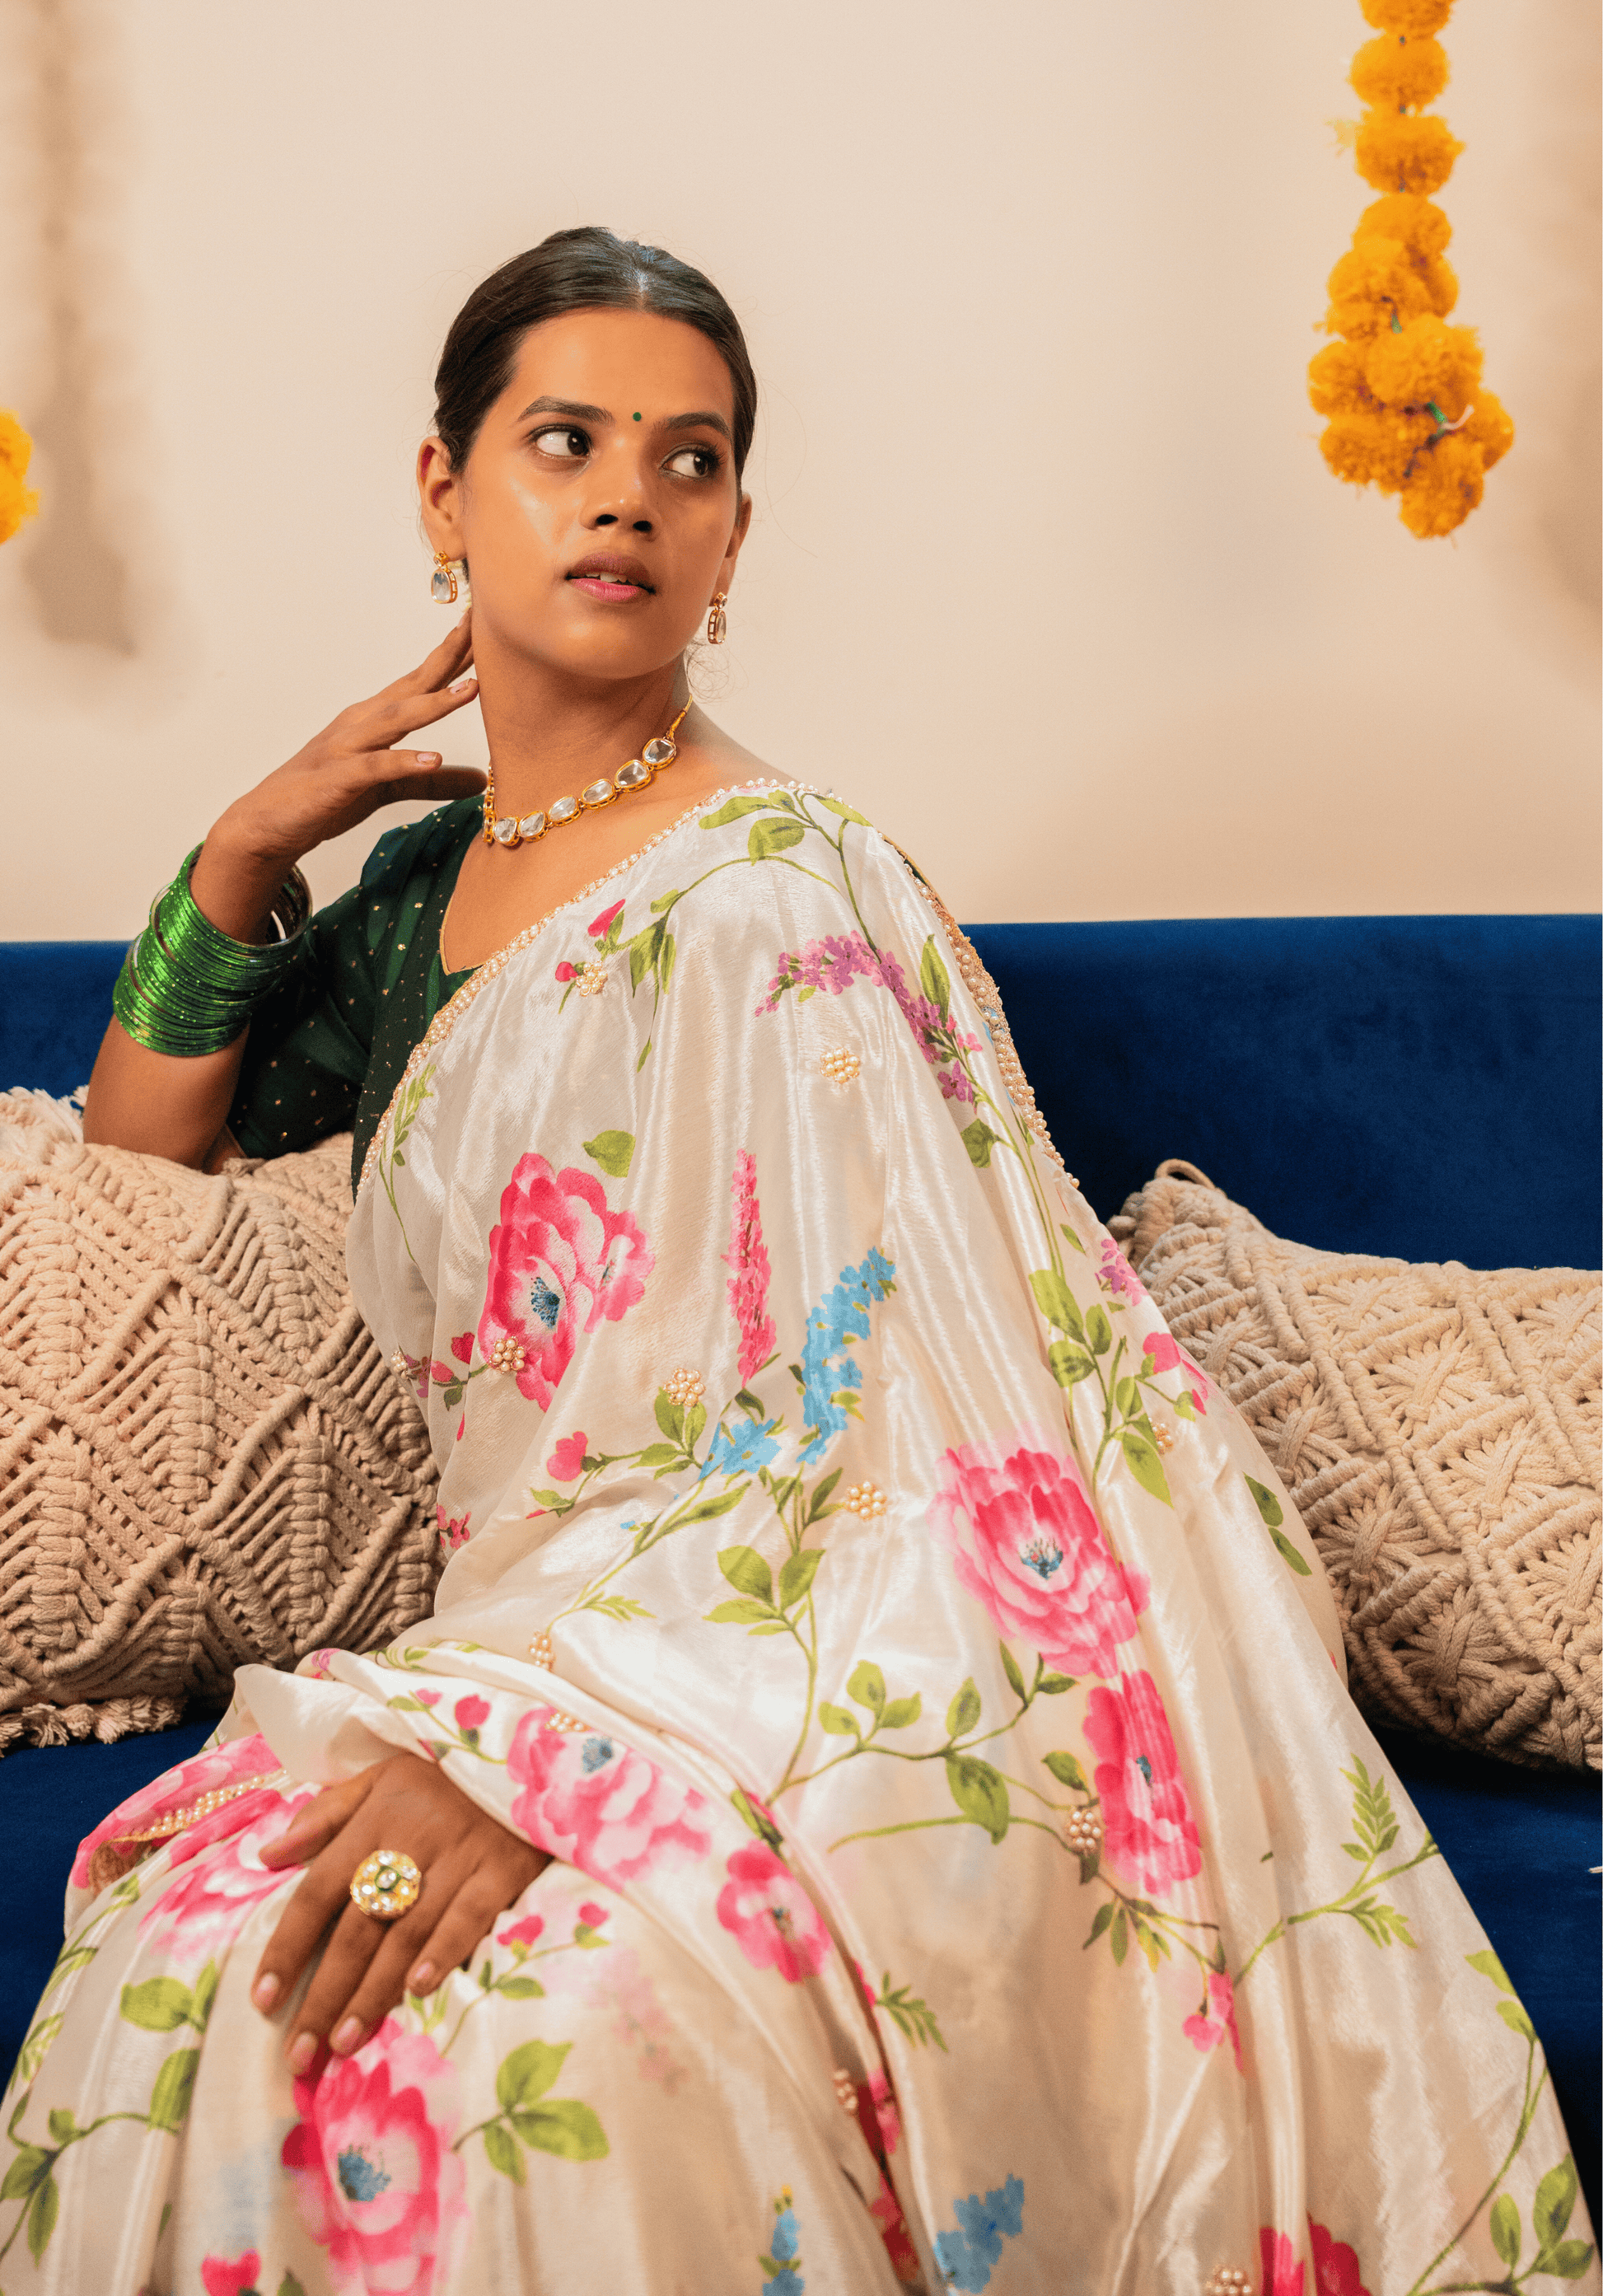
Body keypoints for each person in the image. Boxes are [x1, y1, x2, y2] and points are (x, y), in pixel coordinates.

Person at [13, 227, 1591, 2295]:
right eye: (563, 440)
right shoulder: (410, 898)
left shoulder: (790, 887)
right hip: (528, 1625)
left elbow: (887, 1438)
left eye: (688, 462)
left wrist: (555, 1754)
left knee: (540, 2029)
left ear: (733, 534)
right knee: (202, 1964)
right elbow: (146, 1160)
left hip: (841, 1653)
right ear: (441, 491)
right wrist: (236, 858)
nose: (623, 498)